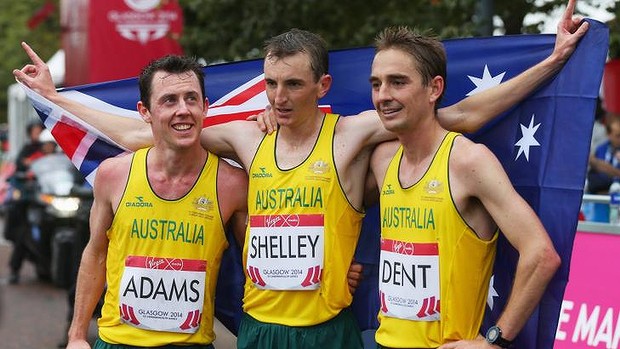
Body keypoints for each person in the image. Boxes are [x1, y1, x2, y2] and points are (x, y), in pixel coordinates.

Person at [13, 3, 586, 346]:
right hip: (261, 330)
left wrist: (553, 62)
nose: (279, 98)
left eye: (292, 85)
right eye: (270, 85)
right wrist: (58, 97)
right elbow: (147, 134)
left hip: (329, 330)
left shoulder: (354, 133)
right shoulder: (243, 134)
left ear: (322, 88)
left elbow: (459, 115)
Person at [367, 26, 563, 348]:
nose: (383, 95)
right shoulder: (383, 159)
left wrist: (494, 341)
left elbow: (541, 255)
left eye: (398, 82)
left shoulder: (467, 162)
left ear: (434, 89)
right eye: (376, 84)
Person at [62, 55, 249, 349]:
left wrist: (341, 267)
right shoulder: (114, 175)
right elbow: (96, 253)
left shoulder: (233, 184)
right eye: (169, 101)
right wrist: (76, 335)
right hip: (118, 342)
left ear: (206, 106)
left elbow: (257, 263)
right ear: (145, 111)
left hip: (191, 344)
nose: (183, 110)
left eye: (191, 98)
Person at [5, 120, 43, 284]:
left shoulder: (55, 152)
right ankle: (15, 270)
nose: (37, 134)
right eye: (34, 131)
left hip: (51, 198)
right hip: (32, 198)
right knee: (23, 233)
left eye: (39, 131)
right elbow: (20, 166)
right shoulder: (27, 150)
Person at [587, 114, 620, 194]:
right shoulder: (601, 148)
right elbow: (594, 175)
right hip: (599, 190)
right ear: (609, 135)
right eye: (618, 136)